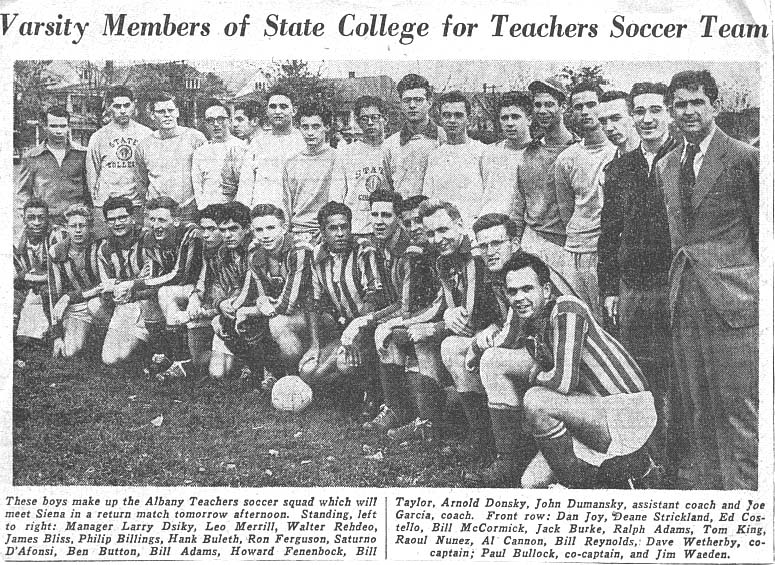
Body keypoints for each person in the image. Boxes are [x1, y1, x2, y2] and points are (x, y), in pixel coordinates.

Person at [479, 253, 660, 489]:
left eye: (527, 289)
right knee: (531, 483)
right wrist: (477, 348)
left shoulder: (567, 308)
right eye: (512, 292)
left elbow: (563, 382)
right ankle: (624, 473)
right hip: (589, 411)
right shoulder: (529, 317)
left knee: (536, 400)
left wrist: (534, 375)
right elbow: (500, 347)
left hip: (626, 410)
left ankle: (586, 486)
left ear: (545, 289)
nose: (519, 297)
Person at [657, 70, 758, 490]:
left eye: (697, 101)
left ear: (714, 104)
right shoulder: (667, 165)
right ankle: (710, 494)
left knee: (739, 408)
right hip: (686, 299)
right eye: (680, 104)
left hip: (735, 303)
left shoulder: (744, 158)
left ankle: (747, 500)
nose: (688, 111)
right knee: (697, 405)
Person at [597, 82, 678, 466]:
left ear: (669, 114)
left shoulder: (684, 158)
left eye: (655, 111)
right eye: (640, 111)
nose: (647, 119)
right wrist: (609, 289)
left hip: (676, 285)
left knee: (678, 371)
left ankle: (683, 456)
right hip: (633, 289)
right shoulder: (619, 169)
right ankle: (650, 458)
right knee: (639, 374)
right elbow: (609, 232)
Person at [384, 200, 498, 444]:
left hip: (494, 331)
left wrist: (435, 327)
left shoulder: (475, 257)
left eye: (443, 230)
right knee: (421, 339)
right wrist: (445, 316)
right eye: (431, 233)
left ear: (459, 224)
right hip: (474, 330)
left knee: (443, 343)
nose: (437, 239)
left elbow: (470, 318)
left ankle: (481, 436)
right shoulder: (443, 259)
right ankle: (430, 424)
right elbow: (449, 306)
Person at [440, 213, 524, 468]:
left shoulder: (525, 270)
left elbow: (520, 327)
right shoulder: (492, 273)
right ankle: (482, 435)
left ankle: (509, 457)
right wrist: (490, 326)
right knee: (452, 346)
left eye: (497, 243)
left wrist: (481, 342)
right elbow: (493, 317)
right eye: (484, 245)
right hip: (515, 344)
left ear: (515, 243)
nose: (490, 251)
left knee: (490, 358)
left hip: (545, 356)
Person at [300, 202, 386, 415]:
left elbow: (373, 295)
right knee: (308, 372)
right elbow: (313, 301)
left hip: (369, 328)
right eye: (333, 228)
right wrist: (314, 345)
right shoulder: (316, 255)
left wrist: (357, 335)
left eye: (344, 227)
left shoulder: (364, 250)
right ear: (322, 231)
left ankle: (372, 393)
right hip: (343, 329)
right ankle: (347, 392)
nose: (340, 234)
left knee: (345, 364)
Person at [367, 194, 439, 433]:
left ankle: (424, 419)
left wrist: (379, 322)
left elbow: (411, 305)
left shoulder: (414, 252)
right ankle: (396, 408)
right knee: (388, 334)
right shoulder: (380, 247)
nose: (414, 228)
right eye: (409, 223)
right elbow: (398, 300)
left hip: (433, 319)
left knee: (401, 335)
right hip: (423, 315)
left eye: (385, 215)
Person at [554, 82, 616, 322]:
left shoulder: (617, 150)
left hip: (607, 248)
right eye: (578, 107)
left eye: (592, 105)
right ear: (571, 112)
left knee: (609, 316)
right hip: (577, 248)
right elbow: (566, 209)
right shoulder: (566, 159)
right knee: (584, 318)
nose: (585, 111)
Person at [233, 204, 314, 382]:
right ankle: (270, 370)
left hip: (316, 315)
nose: (265, 235)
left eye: (270, 228)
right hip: (285, 313)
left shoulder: (299, 250)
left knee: (277, 323)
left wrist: (253, 309)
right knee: (248, 320)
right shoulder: (255, 254)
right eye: (259, 230)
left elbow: (287, 304)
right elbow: (263, 298)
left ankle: (294, 380)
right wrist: (258, 305)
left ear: (284, 228)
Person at [127, 197, 204, 383]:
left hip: (200, 288)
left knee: (163, 292)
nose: (155, 225)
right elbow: (153, 277)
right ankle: (164, 353)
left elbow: (180, 275)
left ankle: (183, 360)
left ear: (176, 220)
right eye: (152, 220)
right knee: (148, 297)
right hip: (178, 288)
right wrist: (133, 291)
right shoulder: (149, 238)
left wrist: (136, 285)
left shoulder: (190, 233)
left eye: (162, 220)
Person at [514, 79, 576, 279]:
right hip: (532, 243)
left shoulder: (577, 150)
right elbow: (519, 204)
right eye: (538, 105)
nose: (542, 110)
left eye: (549, 104)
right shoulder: (529, 152)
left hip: (566, 246)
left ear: (563, 107)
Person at [86, 86, 152, 236]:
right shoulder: (98, 137)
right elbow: (92, 173)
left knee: (136, 248)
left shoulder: (146, 134)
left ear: (133, 105)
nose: (122, 110)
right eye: (117, 106)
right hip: (106, 205)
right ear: (109, 107)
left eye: (126, 105)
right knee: (105, 247)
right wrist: (98, 203)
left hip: (135, 204)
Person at [136, 92, 206, 223]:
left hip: (188, 211)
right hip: (156, 212)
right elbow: (141, 181)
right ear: (152, 115)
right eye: (161, 111)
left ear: (177, 112)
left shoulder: (195, 138)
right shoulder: (144, 145)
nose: (167, 115)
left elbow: (206, 176)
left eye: (171, 110)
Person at [48, 204, 106, 359]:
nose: (78, 230)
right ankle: (82, 334)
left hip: (101, 301)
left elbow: (103, 286)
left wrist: (69, 297)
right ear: (66, 228)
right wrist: (57, 336)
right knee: (70, 352)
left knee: (95, 306)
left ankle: (104, 342)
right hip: (78, 308)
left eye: (83, 226)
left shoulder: (100, 246)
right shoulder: (57, 251)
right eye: (73, 226)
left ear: (90, 227)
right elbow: (54, 293)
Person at [330, 95, 392, 236]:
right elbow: (336, 195)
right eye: (364, 119)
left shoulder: (393, 150)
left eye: (375, 117)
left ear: (385, 119)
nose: (370, 123)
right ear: (358, 122)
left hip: (386, 228)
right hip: (356, 228)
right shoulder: (346, 153)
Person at [423, 91, 485, 230]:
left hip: (474, 230)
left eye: (458, 115)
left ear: (468, 118)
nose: (452, 120)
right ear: (440, 119)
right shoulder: (435, 156)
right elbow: (428, 198)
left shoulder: (482, 152)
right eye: (446, 115)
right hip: (444, 231)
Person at [235, 87, 306, 210]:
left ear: (294, 111)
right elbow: (245, 186)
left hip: (295, 213)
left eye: (283, 107)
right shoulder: (257, 143)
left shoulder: (303, 141)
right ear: (267, 111)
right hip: (262, 216)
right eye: (273, 107)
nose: (277, 111)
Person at [17, 106, 89, 225]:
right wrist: (28, 219)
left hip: (76, 221)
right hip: (46, 221)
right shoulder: (32, 157)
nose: (59, 131)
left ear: (68, 127)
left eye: (63, 126)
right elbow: (23, 192)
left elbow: (89, 189)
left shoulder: (82, 154)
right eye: (54, 126)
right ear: (45, 126)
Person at [97, 197, 148, 366]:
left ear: (132, 218)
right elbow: (108, 286)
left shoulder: (147, 239)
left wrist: (126, 285)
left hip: (147, 304)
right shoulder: (105, 249)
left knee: (124, 355)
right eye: (112, 219)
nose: (117, 223)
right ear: (106, 222)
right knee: (109, 359)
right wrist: (134, 280)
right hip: (124, 306)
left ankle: (154, 349)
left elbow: (153, 279)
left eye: (122, 217)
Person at [208, 202, 255, 384]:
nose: (227, 235)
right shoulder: (221, 254)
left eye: (233, 229)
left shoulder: (255, 251)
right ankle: (245, 360)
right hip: (231, 312)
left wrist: (234, 302)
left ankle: (263, 366)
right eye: (223, 230)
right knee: (217, 374)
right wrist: (220, 303)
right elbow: (217, 286)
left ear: (247, 228)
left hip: (253, 311)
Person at [282, 101, 337, 240]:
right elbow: (287, 202)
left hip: (327, 231)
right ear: (299, 128)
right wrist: (288, 232)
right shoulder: (291, 162)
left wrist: (327, 229)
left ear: (327, 127)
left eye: (316, 127)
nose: (310, 133)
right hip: (297, 231)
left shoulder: (338, 158)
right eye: (305, 127)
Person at [384, 74, 445, 198]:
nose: (412, 105)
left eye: (418, 100)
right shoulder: (390, 144)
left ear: (429, 102)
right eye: (407, 100)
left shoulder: (444, 138)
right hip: (402, 214)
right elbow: (388, 187)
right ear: (401, 104)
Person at [14, 198, 64, 342]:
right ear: (24, 219)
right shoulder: (18, 240)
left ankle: (56, 332)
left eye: (41, 218)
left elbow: (60, 274)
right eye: (31, 218)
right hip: (30, 285)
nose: (36, 222)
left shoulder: (56, 235)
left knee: (47, 290)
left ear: (47, 218)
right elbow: (16, 274)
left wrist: (30, 277)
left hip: (53, 285)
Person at [480, 91, 533, 217]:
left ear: (529, 120)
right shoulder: (489, 153)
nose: (509, 123)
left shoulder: (538, 154)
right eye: (504, 118)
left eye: (515, 117)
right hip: (490, 226)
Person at [192, 99, 245, 210]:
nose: (216, 124)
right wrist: (203, 208)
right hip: (207, 211)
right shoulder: (200, 152)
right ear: (206, 124)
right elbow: (197, 186)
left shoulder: (241, 147)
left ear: (229, 121)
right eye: (210, 120)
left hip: (233, 211)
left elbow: (244, 186)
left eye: (220, 119)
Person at [222, 101, 261, 201]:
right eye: (233, 120)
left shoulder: (269, 147)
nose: (234, 125)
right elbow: (228, 187)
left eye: (240, 120)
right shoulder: (236, 148)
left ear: (254, 121)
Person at [597, 90, 640, 159]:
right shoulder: (606, 164)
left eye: (616, 118)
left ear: (633, 118)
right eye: (603, 122)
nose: (609, 128)